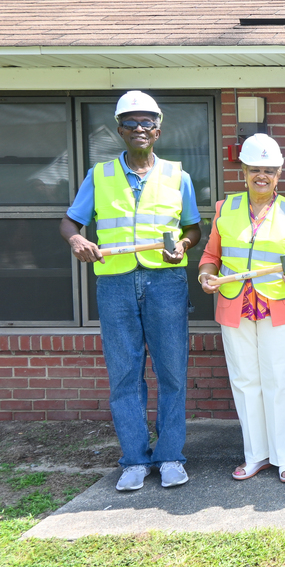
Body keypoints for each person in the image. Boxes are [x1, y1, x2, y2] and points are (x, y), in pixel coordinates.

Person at [60, 90, 202, 492]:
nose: (139, 129)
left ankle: (171, 456)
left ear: (158, 130)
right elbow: (71, 223)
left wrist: (185, 246)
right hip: (116, 282)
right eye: (130, 123)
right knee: (125, 373)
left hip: (166, 282)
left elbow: (192, 227)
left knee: (172, 370)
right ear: (120, 130)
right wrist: (76, 242)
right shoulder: (99, 175)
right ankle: (135, 461)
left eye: (147, 122)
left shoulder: (178, 175)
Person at [197, 134, 285, 484]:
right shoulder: (226, 208)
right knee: (245, 380)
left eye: (268, 170)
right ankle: (256, 455)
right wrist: (207, 276)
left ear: (279, 173)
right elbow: (210, 257)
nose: (261, 176)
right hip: (235, 304)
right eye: (255, 170)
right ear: (244, 171)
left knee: (280, 380)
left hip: (279, 304)